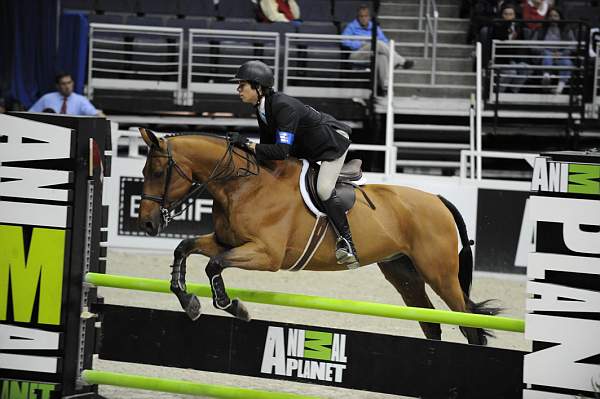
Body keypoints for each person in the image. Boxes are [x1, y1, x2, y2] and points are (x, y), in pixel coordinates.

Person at [230, 60, 360, 268]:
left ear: (258, 86)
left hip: (331, 144)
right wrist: (246, 149)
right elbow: (268, 148)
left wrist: (247, 144)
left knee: (324, 188)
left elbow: (281, 151)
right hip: (308, 147)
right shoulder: (262, 107)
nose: (238, 89)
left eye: (242, 85)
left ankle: (347, 242)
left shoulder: (282, 106)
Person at [341, 4, 413, 95]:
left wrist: (372, 44)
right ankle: (400, 61)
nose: (363, 18)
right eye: (361, 16)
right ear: (358, 17)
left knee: (382, 57)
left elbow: (385, 41)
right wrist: (360, 43)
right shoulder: (351, 26)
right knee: (376, 42)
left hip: (373, 55)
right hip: (357, 55)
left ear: (369, 17)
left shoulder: (374, 27)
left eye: (366, 16)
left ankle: (385, 88)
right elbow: (343, 41)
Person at [533, 7, 576, 94]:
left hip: (561, 55)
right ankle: (546, 77)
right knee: (547, 55)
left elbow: (573, 45)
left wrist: (562, 53)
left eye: (556, 16)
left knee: (567, 63)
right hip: (544, 54)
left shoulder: (567, 30)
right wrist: (542, 50)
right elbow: (532, 44)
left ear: (560, 17)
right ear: (547, 17)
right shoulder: (541, 29)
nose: (553, 18)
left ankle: (559, 88)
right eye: (551, 16)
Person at [489, 3, 529, 93]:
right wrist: (508, 32)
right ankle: (498, 93)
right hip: (500, 59)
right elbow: (500, 38)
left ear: (514, 15)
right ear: (502, 15)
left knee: (526, 68)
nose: (508, 16)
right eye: (506, 14)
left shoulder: (518, 27)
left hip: (514, 58)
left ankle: (513, 91)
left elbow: (521, 45)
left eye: (511, 14)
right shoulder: (497, 26)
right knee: (511, 72)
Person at [29, 72, 105, 116]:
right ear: (57, 86)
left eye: (69, 83)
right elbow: (30, 114)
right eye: (63, 84)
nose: (67, 86)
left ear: (73, 83)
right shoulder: (47, 98)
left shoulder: (80, 100)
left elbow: (95, 114)